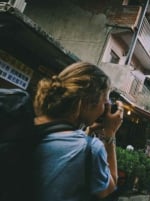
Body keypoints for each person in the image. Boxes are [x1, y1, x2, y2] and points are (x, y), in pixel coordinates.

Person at [33, 61, 124, 201]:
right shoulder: (92, 149)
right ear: (87, 103)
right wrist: (110, 132)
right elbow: (109, 189)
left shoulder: (29, 124)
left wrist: (85, 133)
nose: (104, 108)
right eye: (104, 101)